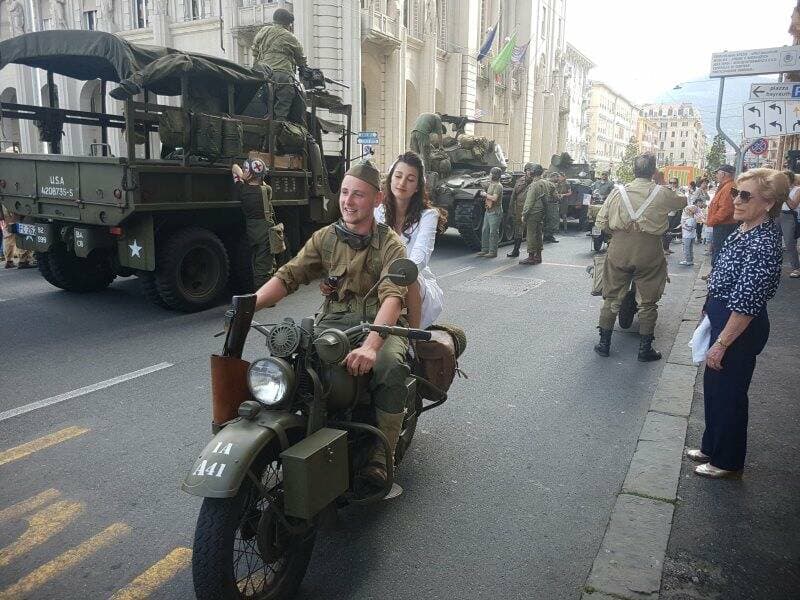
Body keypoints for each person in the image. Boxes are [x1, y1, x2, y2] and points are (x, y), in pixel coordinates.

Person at [254, 160, 409, 486]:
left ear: (378, 200)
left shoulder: (390, 244)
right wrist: (250, 305)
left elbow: (393, 297)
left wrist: (371, 346)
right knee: (294, 361)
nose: (348, 202)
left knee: (390, 366)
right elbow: (289, 276)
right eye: (344, 193)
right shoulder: (326, 238)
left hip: (379, 320)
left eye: (359, 195)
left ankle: (383, 457)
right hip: (335, 319)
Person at [686, 168, 785, 478]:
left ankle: (727, 461)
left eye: (744, 195)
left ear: (767, 203)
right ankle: (711, 446)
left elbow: (747, 302)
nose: (736, 200)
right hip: (722, 316)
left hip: (738, 327)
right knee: (714, 388)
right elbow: (722, 277)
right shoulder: (746, 229)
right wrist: (707, 309)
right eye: (734, 193)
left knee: (729, 393)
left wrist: (722, 343)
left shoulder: (763, 241)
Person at [593, 154, 686, 361]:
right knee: (648, 301)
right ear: (653, 172)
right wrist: (662, 185)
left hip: (619, 247)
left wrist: (615, 233)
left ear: (633, 171)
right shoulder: (662, 192)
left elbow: (601, 221)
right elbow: (682, 202)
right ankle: (645, 349)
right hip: (649, 249)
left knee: (611, 297)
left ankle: (604, 343)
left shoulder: (618, 192)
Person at [374, 151, 446, 329]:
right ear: (390, 179)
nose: (402, 183)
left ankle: (413, 338)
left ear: (417, 187)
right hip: (377, 275)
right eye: (398, 176)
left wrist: (397, 273)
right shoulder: (377, 211)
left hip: (412, 279)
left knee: (409, 277)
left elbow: (420, 255)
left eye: (410, 179)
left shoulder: (428, 215)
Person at [251, 8, 307, 123]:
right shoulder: (289, 36)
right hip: (282, 75)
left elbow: (254, 50)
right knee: (284, 102)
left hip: (263, 74)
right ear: (288, 23)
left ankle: (268, 117)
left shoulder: (264, 31)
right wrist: (303, 68)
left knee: (266, 100)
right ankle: (280, 125)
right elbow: (300, 57)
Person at [232, 158, 275, 289]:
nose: (244, 171)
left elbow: (234, 168)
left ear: (249, 174)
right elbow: (262, 182)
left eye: (246, 170)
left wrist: (242, 175)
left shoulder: (242, 190)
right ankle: (265, 293)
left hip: (252, 231)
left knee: (256, 259)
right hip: (266, 231)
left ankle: (261, 291)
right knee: (265, 263)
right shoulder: (267, 190)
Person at [706, 165, 738, 266]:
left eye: (717, 173)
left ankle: (715, 275)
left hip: (724, 226)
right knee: (719, 250)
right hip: (723, 225)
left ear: (723, 174)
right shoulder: (726, 186)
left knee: (719, 251)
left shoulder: (729, 187)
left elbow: (726, 209)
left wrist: (711, 221)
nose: (716, 175)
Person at [519, 164, 547, 265]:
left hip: (533, 212)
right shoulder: (545, 183)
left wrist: (524, 214)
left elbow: (529, 201)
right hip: (541, 212)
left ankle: (531, 257)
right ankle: (538, 256)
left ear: (533, 172)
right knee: (539, 234)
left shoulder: (534, 184)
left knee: (530, 234)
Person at [506, 163, 535, 258]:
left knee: (532, 232)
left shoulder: (537, 182)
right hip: (519, 210)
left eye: (532, 170)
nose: (530, 171)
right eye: (528, 170)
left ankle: (532, 253)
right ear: (525, 170)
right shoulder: (519, 181)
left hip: (532, 210)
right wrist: (510, 211)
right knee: (518, 231)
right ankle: (516, 250)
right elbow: (513, 196)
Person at [478, 167, 504, 258]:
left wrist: (485, 195)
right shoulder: (491, 185)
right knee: (485, 230)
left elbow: (494, 198)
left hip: (495, 212)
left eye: (490, 174)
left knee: (493, 232)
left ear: (494, 175)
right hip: (488, 210)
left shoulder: (498, 186)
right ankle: (485, 249)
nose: (489, 175)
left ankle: (493, 251)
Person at [779, 170, 800, 278]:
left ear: (791, 179)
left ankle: (796, 268)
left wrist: (785, 194)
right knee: (773, 241)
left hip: (789, 216)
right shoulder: (779, 189)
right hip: (777, 215)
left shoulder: (797, 190)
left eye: (785, 179)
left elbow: (793, 205)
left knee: (789, 243)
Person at [662, 176, 683, 254]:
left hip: (677, 213)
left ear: (677, 184)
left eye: (674, 183)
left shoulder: (679, 191)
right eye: (670, 182)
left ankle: (667, 248)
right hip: (669, 214)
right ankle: (663, 248)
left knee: (671, 231)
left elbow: (682, 201)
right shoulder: (666, 191)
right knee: (665, 231)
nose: (672, 184)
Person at [543, 171, 561, 243]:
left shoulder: (545, 182)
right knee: (553, 220)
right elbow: (555, 196)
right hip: (552, 204)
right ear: (553, 177)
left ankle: (546, 235)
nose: (558, 179)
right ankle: (549, 236)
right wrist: (559, 198)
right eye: (557, 177)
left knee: (547, 220)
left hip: (546, 203)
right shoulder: (552, 184)